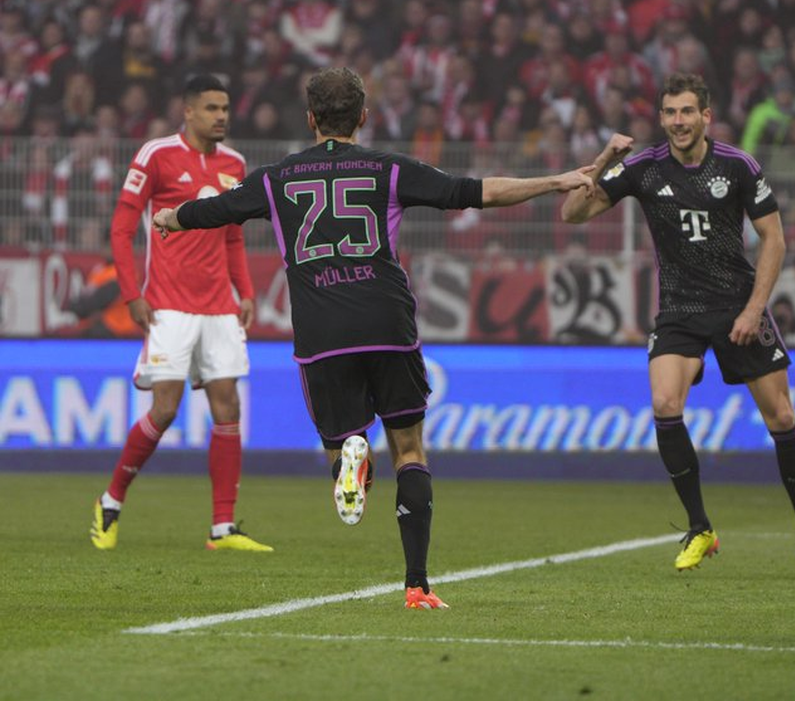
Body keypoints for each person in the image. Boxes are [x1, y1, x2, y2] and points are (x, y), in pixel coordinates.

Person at [152, 67, 596, 608]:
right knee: (410, 449)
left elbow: (218, 209)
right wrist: (555, 181)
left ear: (311, 118)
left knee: (338, 444)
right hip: (388, 323)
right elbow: (474, 193)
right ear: (364, 116)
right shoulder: (389, 170)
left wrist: (175, 217)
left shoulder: (275, 179)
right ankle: (417, 584)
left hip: (322, 332)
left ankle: (347, 459)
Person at [561, 72, 795, 580]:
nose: (678, 122)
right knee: (665, 404)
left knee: (780, 417)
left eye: (687, 112)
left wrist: (754, 309)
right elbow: (572, 213)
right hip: (680, 309)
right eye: (670, 112)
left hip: (737, 305)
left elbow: (773, 240)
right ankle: (700, 527)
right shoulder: (643, 167)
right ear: (661, 117)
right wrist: (604, 161)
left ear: (706, 116)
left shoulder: (737, 166)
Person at [90, 74, 271, 553]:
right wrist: (131, 293)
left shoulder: (234, 163)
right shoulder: (156, 155)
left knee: (227, 408)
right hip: (168, 304)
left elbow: (233, 234)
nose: (222, 117)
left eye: (226, 108)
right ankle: (111, 501)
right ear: (188, 112)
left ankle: (222, 529)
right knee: (165, 409)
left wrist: (245, 290)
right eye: (212, 108)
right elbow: (121, 227)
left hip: (219, 307)